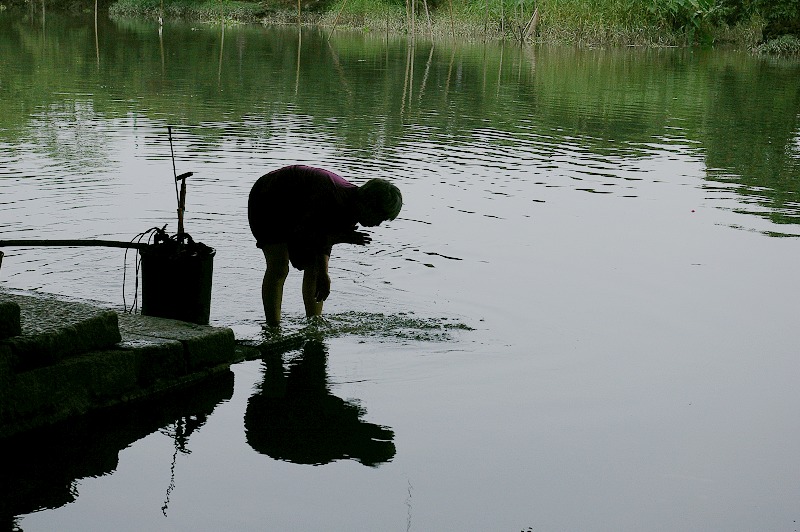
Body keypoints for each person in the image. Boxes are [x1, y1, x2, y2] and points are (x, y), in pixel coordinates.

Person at [248, 165, 402, 327]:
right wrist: (338, 239)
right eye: (380, 217)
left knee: (315, 268)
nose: (378, 224)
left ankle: (314, 323)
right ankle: (273, 328)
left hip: (297, 210)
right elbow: (308, 231)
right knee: (279, 266)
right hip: (268, 198)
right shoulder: (333, 197)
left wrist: (324, 270)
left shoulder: (352, 208)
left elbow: (321, 239)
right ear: (368, 203)